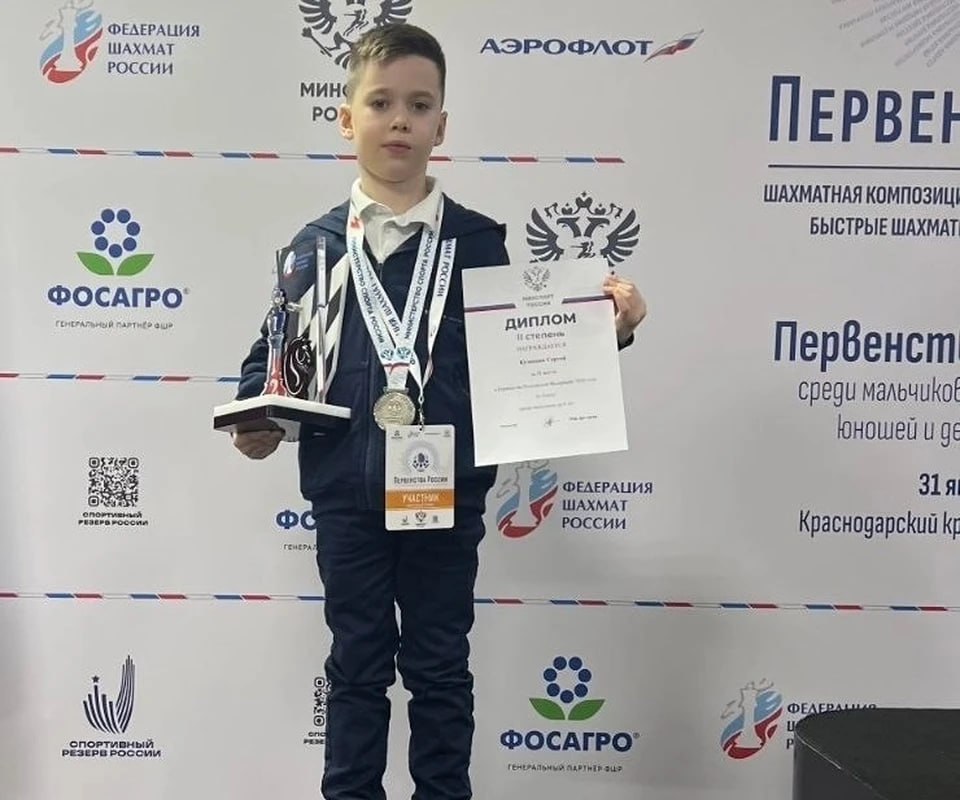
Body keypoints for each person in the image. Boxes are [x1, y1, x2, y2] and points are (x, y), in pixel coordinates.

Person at [231, 22, 646, 800]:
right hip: (347, 500)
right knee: (356, 666)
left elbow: (528, 354)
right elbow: (272, 359)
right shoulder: (313, 249)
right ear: (345, 118)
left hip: (445, 497)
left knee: (440, 667)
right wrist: (257, 419)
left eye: (419, 106)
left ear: (441, 126)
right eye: (381, 103)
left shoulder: (479, 244)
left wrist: (607, 331)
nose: (400, 120)